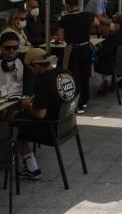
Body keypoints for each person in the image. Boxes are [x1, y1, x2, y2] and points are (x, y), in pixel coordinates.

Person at [14, 47, 78, 180]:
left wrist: (27, 106)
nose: (30, 71)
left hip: (52, 128)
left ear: (35, 65)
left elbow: (40, 115)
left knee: (15, 123)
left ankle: (33, 169)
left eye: (30, 67)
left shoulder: (43, 80)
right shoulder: (66, 73)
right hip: (69, 123)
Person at [56, 0, 97, 113]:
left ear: (67, 6)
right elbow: (98, 23)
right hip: (86, 47)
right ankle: (84, 100)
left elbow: (60, 36)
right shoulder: (88, 15)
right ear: (78, 4)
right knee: (85, 74)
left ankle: (77, 102)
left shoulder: (65, 19)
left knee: (74, 76)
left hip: (72, 50)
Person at [93, 12, 122, 92]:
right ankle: (107, 82)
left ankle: (102, 84)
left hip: (115, 65)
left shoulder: (115, 38)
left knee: (97, 60)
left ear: (118, 25)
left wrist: (96, 52)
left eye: (114, 22)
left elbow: (103, 53)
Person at [0, 31, 30, 96]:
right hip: (0, 99)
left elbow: (29, 85)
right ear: (0, 47)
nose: (11, 50)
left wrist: (25, 97)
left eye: (15, 47)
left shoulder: (25, 60)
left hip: (21, 98)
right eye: (8, 48)